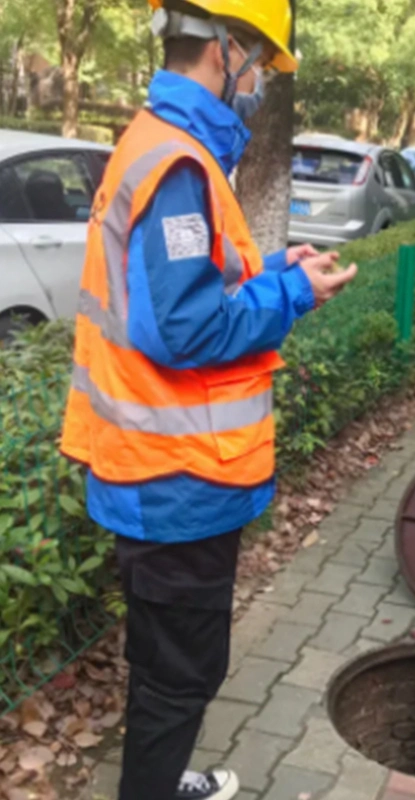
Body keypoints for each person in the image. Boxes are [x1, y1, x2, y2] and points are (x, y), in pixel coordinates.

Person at [60, 1, 357, 798]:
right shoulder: (180, 166)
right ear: (225, 49)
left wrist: (268, 279)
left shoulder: (161, 144)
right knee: (181, 673)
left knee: (168, 665)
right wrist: (293, 294)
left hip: (161, 465)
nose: (261, 79)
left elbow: (178, 300)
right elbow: (186, 330)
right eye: (259, 57)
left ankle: (159, 778)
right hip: (175, 472)